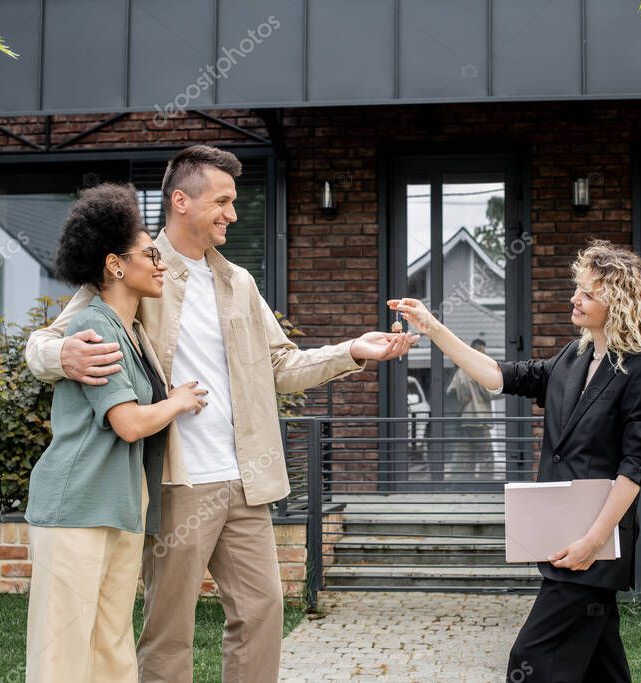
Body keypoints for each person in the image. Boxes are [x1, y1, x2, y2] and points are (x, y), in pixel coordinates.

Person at [25, 145, 417, 683]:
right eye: (223, 200)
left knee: (262, 613)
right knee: (168, 631)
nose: (233, 213)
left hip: (244, 479)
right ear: (181, 200)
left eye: (235, 201)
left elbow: (280, 365)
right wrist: (60, 356)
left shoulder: (239, 282)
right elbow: (47, 341)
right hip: (175, 481)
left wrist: (351, 351)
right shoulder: (136, 266)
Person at [390, 240, 641, 682]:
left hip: (592, 547)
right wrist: (433, 328)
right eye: (578, 289)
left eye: (589, 293)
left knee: (531, 661)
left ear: (618, 304)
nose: (575, 299)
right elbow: (497, 376)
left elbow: (636, 465)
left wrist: (593, 542)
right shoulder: (572, 357)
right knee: (603, 666)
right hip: (564, 541)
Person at [24, 183, 207, 682]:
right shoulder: (94, 325)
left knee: (111, 651)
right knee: (60, 656)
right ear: (115, 265)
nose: (160, 262)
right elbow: (127, 423)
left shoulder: (135, 332)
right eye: (150, 252)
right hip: (75, 507)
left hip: (121, 508)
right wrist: (178, 402)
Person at [446, 338, 497, 479]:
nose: (484, 354)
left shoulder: (461, 370)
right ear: (476, 350)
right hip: (479, 419)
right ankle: (486, 483)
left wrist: (462, 399)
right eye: (482, 351)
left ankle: (466, 481)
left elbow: (450, 392)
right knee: (486, 454)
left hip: (466, 419)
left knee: (468, 452)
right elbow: (488, 392)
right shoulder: (478, 369)